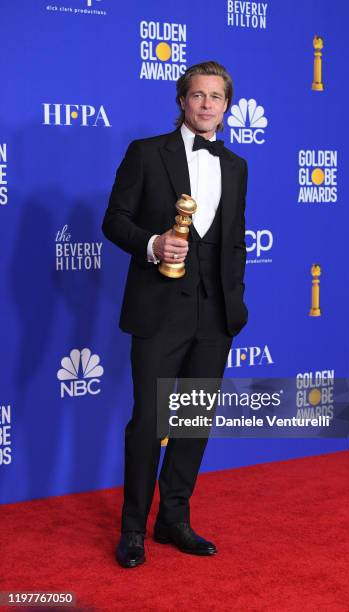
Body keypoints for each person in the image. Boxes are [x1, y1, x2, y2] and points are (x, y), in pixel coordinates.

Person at [102, 60, 249, 568]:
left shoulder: (235, 166)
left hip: (215, 316)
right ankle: (133, 529)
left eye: (217, 97)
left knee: (191, 420)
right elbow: (114, 221)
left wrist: (237, 302)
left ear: (227, 106)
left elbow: (234, 242)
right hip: (158, 310)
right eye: (197, 95)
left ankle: (173, 520)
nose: (207, 104)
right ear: (181, 102)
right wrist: (152, 243)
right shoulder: (146, 154)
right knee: (149, 420)